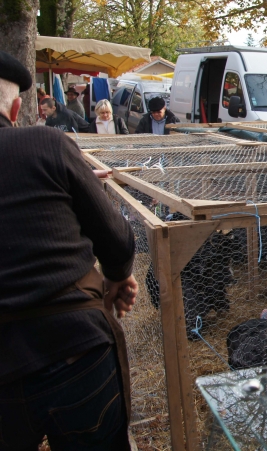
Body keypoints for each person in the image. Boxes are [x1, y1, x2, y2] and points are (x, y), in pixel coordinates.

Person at [0, 50, 138, 450]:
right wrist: (116, 275)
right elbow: (116, 237)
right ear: (15, 109)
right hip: (74, 348)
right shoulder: (46, 143)